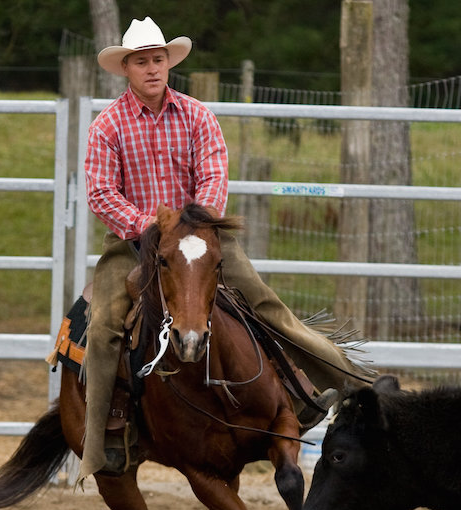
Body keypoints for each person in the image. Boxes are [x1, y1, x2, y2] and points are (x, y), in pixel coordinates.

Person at [81, 16, 368, 482]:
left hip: (202, 237)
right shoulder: (108, 126)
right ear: (126, 69)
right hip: (135, 244)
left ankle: (338, 388)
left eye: (158, 59)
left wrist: (194, 229)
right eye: (141, 62)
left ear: (168, 64)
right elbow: (100, 192)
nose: (152, 69)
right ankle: (104, 440)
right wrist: (150, 228)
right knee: (103, 326)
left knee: (264, 303)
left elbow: (214, 177)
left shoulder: (197, 116)